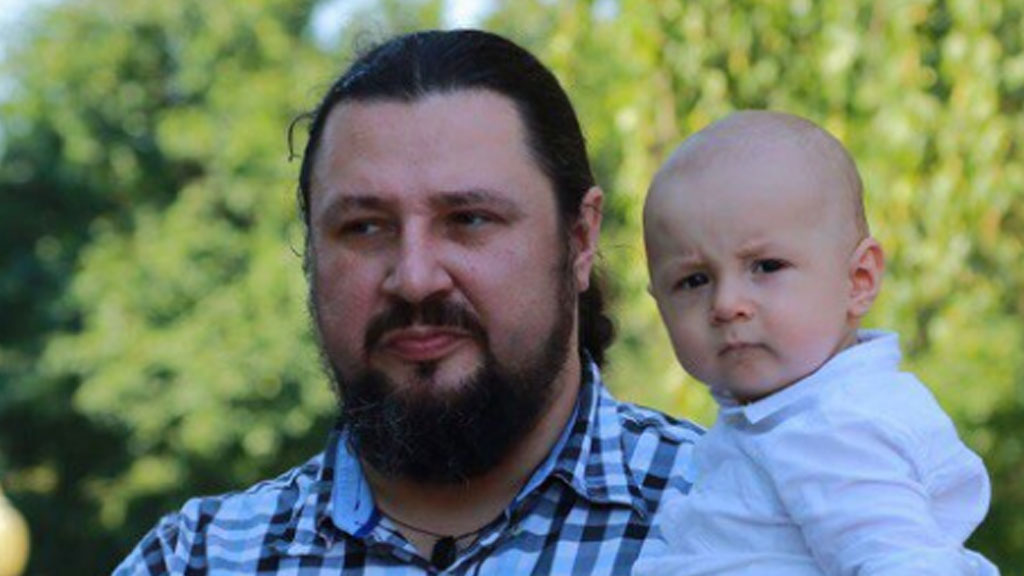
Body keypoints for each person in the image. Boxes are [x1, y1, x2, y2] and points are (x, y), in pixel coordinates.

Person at [114, 29, 702, 575]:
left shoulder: (728, 517)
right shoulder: (198, 559)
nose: (415, 280)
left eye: (469, 219)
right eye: (365, 227)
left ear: (579, 239)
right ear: (311, 252)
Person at [634, 110, 999, 575]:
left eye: (767, 266)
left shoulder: (836, 428)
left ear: (859, 279)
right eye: (693, 280)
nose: (726, 304)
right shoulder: (787, 415)